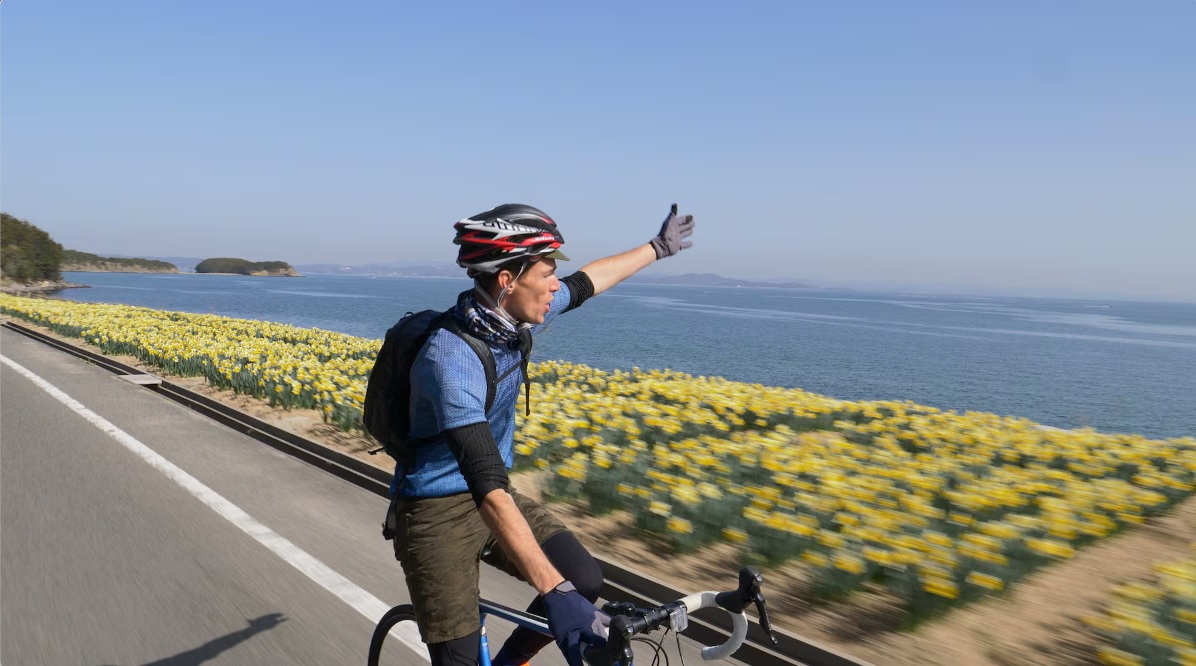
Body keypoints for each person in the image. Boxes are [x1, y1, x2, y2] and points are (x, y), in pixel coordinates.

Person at [389, 202, 695, 666]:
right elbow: (488, 485)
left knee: (584, 580)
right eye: (547, 273)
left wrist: (657, 247)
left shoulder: (512, 320)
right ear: (507, 280)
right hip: (436, 513)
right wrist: (553, 592)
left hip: (492, 496)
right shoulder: (449, 361)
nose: (556, 285)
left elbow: (588, 282)